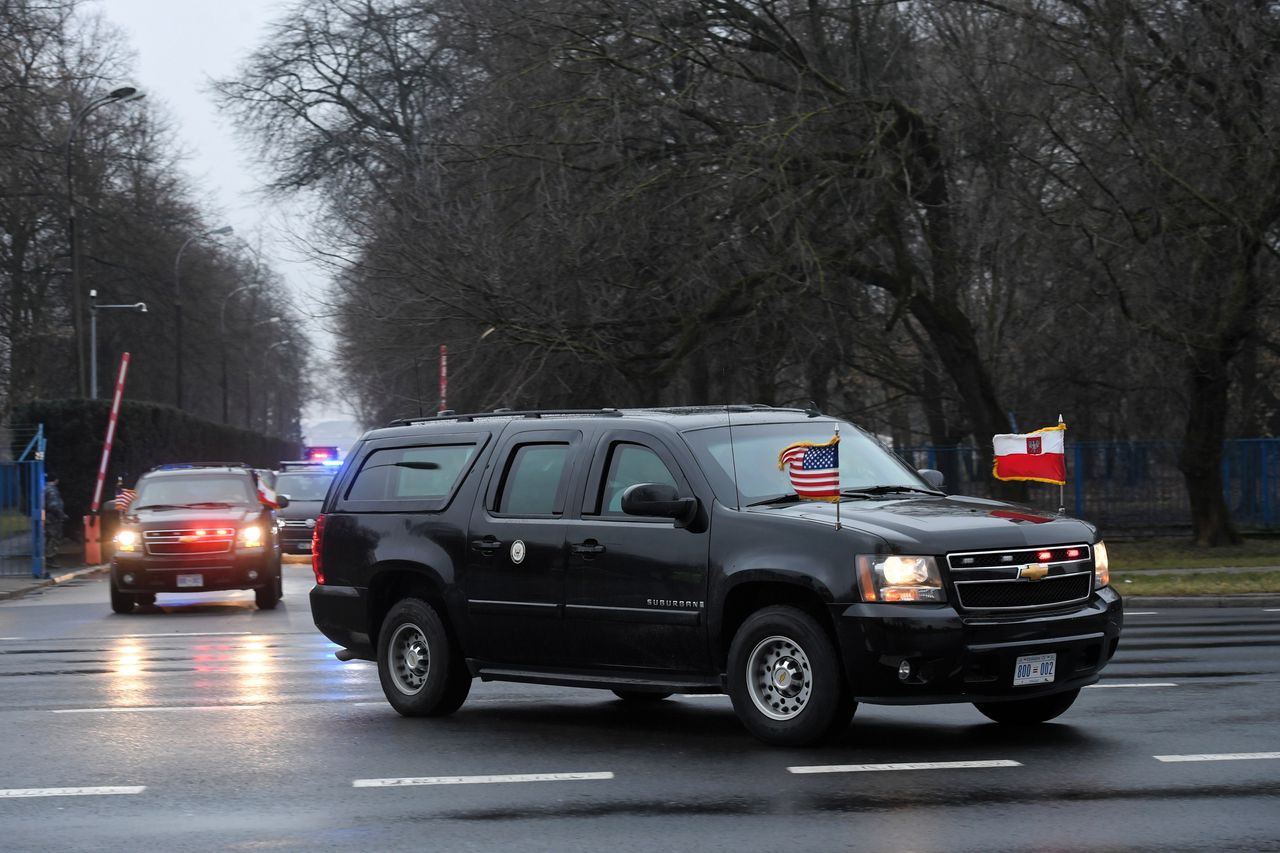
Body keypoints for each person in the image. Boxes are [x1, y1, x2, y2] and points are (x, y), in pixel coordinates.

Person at [43, 474, 67, 568]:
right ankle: (50, 559)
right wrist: (62, 515)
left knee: (48, 538)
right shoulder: (52, 490)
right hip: (53, 519)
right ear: (56, 480)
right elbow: (54, 505)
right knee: (53, 538)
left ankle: (47, 559)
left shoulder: (44, 488)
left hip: (47, 518)